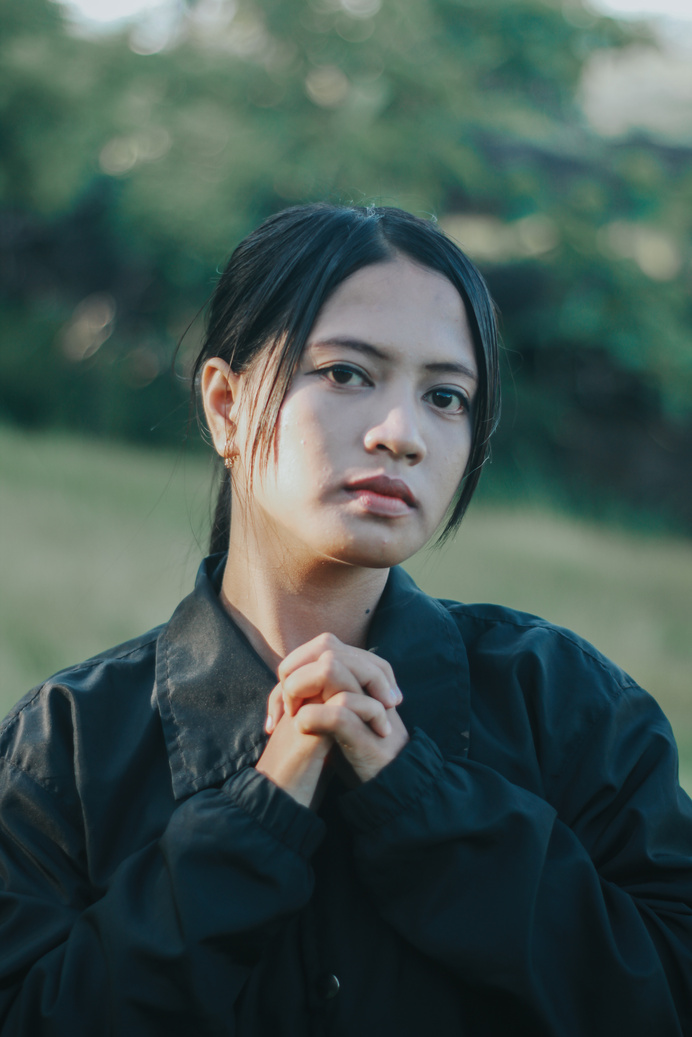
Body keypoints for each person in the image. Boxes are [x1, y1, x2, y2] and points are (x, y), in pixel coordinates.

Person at [0, 203, 691, 1037]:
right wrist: (254, 821)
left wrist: (424, 801)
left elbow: (666, 986)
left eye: (446, 396)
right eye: (345, 373)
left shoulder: (569, 707)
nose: (401, 434)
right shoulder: (63, 749)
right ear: (225, 405)